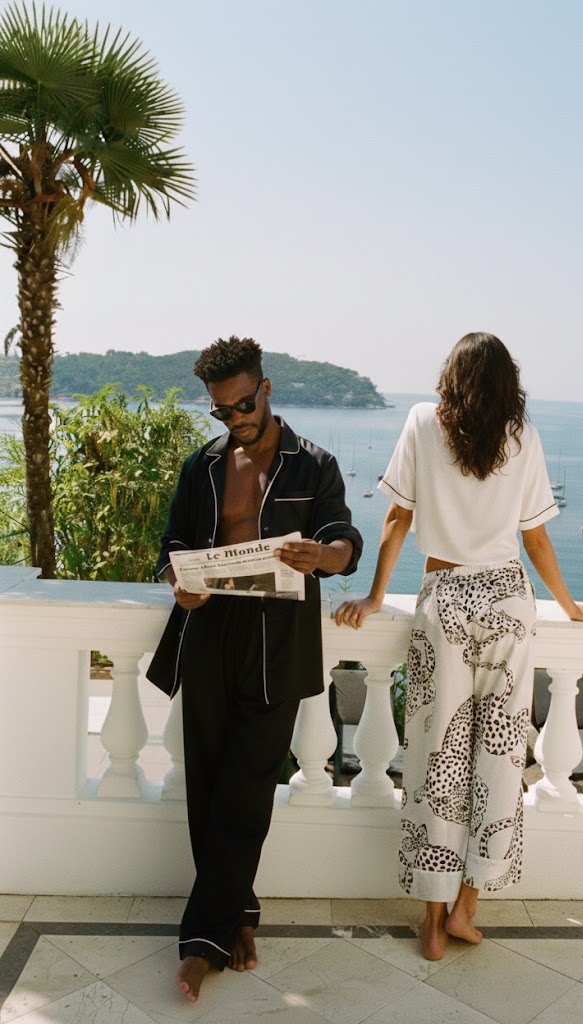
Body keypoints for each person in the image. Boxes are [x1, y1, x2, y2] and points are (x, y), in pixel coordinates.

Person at [335, 332, 583, 961]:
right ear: (506, 385)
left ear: (451, 376)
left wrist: (377, 597)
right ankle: (469, 907)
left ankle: (433, 922)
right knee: (497, 757)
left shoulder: (420, 421)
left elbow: (396, 519)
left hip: (445, 600)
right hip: (509, 606)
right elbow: (537, 540)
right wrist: (572, 608)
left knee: (438, 758)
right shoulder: (522, 436)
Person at [147, 336, 362, 1002]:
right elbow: (174, 546)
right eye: (221, 411)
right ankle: (235, 918)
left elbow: (345, 542)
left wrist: (319, 558)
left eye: (242, 404)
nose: (234, 418)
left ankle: (198, 947)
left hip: (278, 640)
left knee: (247, 791)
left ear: (264, 389)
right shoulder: (201, 467)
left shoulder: (314, 465)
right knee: (208, 784)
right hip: (208, 633)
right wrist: (182, 582)